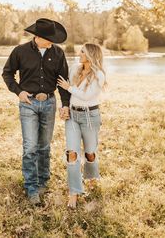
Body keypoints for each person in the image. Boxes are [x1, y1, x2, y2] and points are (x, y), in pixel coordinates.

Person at [2, 18, 70, 205]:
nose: (52, 41)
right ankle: (31, 187)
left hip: (49, 103)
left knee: (44, 146)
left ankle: (43, 181)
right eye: (49, 38)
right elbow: (7, 73)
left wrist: (65, 104)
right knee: (30, 147)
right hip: (28, 104)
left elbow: (63, 80)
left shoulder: (57, 53)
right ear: (38, 37)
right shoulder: (20, 51)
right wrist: (19, 91)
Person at [57, 43, 106, 209]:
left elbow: (86, 96)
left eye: (83, 52)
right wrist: (64, 106)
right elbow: (65, 91)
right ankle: (74, 192)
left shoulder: (99, 75)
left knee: (90, 153)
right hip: (72, 116)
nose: (80, 53)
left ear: (91, 55)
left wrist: (69, 87)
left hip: (90, 116)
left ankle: (91, 179)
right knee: (72, 153)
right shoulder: (75, 69)